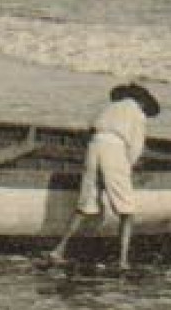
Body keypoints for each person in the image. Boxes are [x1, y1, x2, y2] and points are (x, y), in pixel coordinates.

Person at [49, 82, 162, 271]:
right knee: (127, 211)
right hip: (114, 150)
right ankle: (122, 260)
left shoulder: (109, 107)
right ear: (144, 102)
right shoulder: (138, 114)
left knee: (85, 205)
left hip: (94, 147)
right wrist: (128, 167)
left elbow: (90, 130)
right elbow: (135, 148)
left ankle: (58, 250)